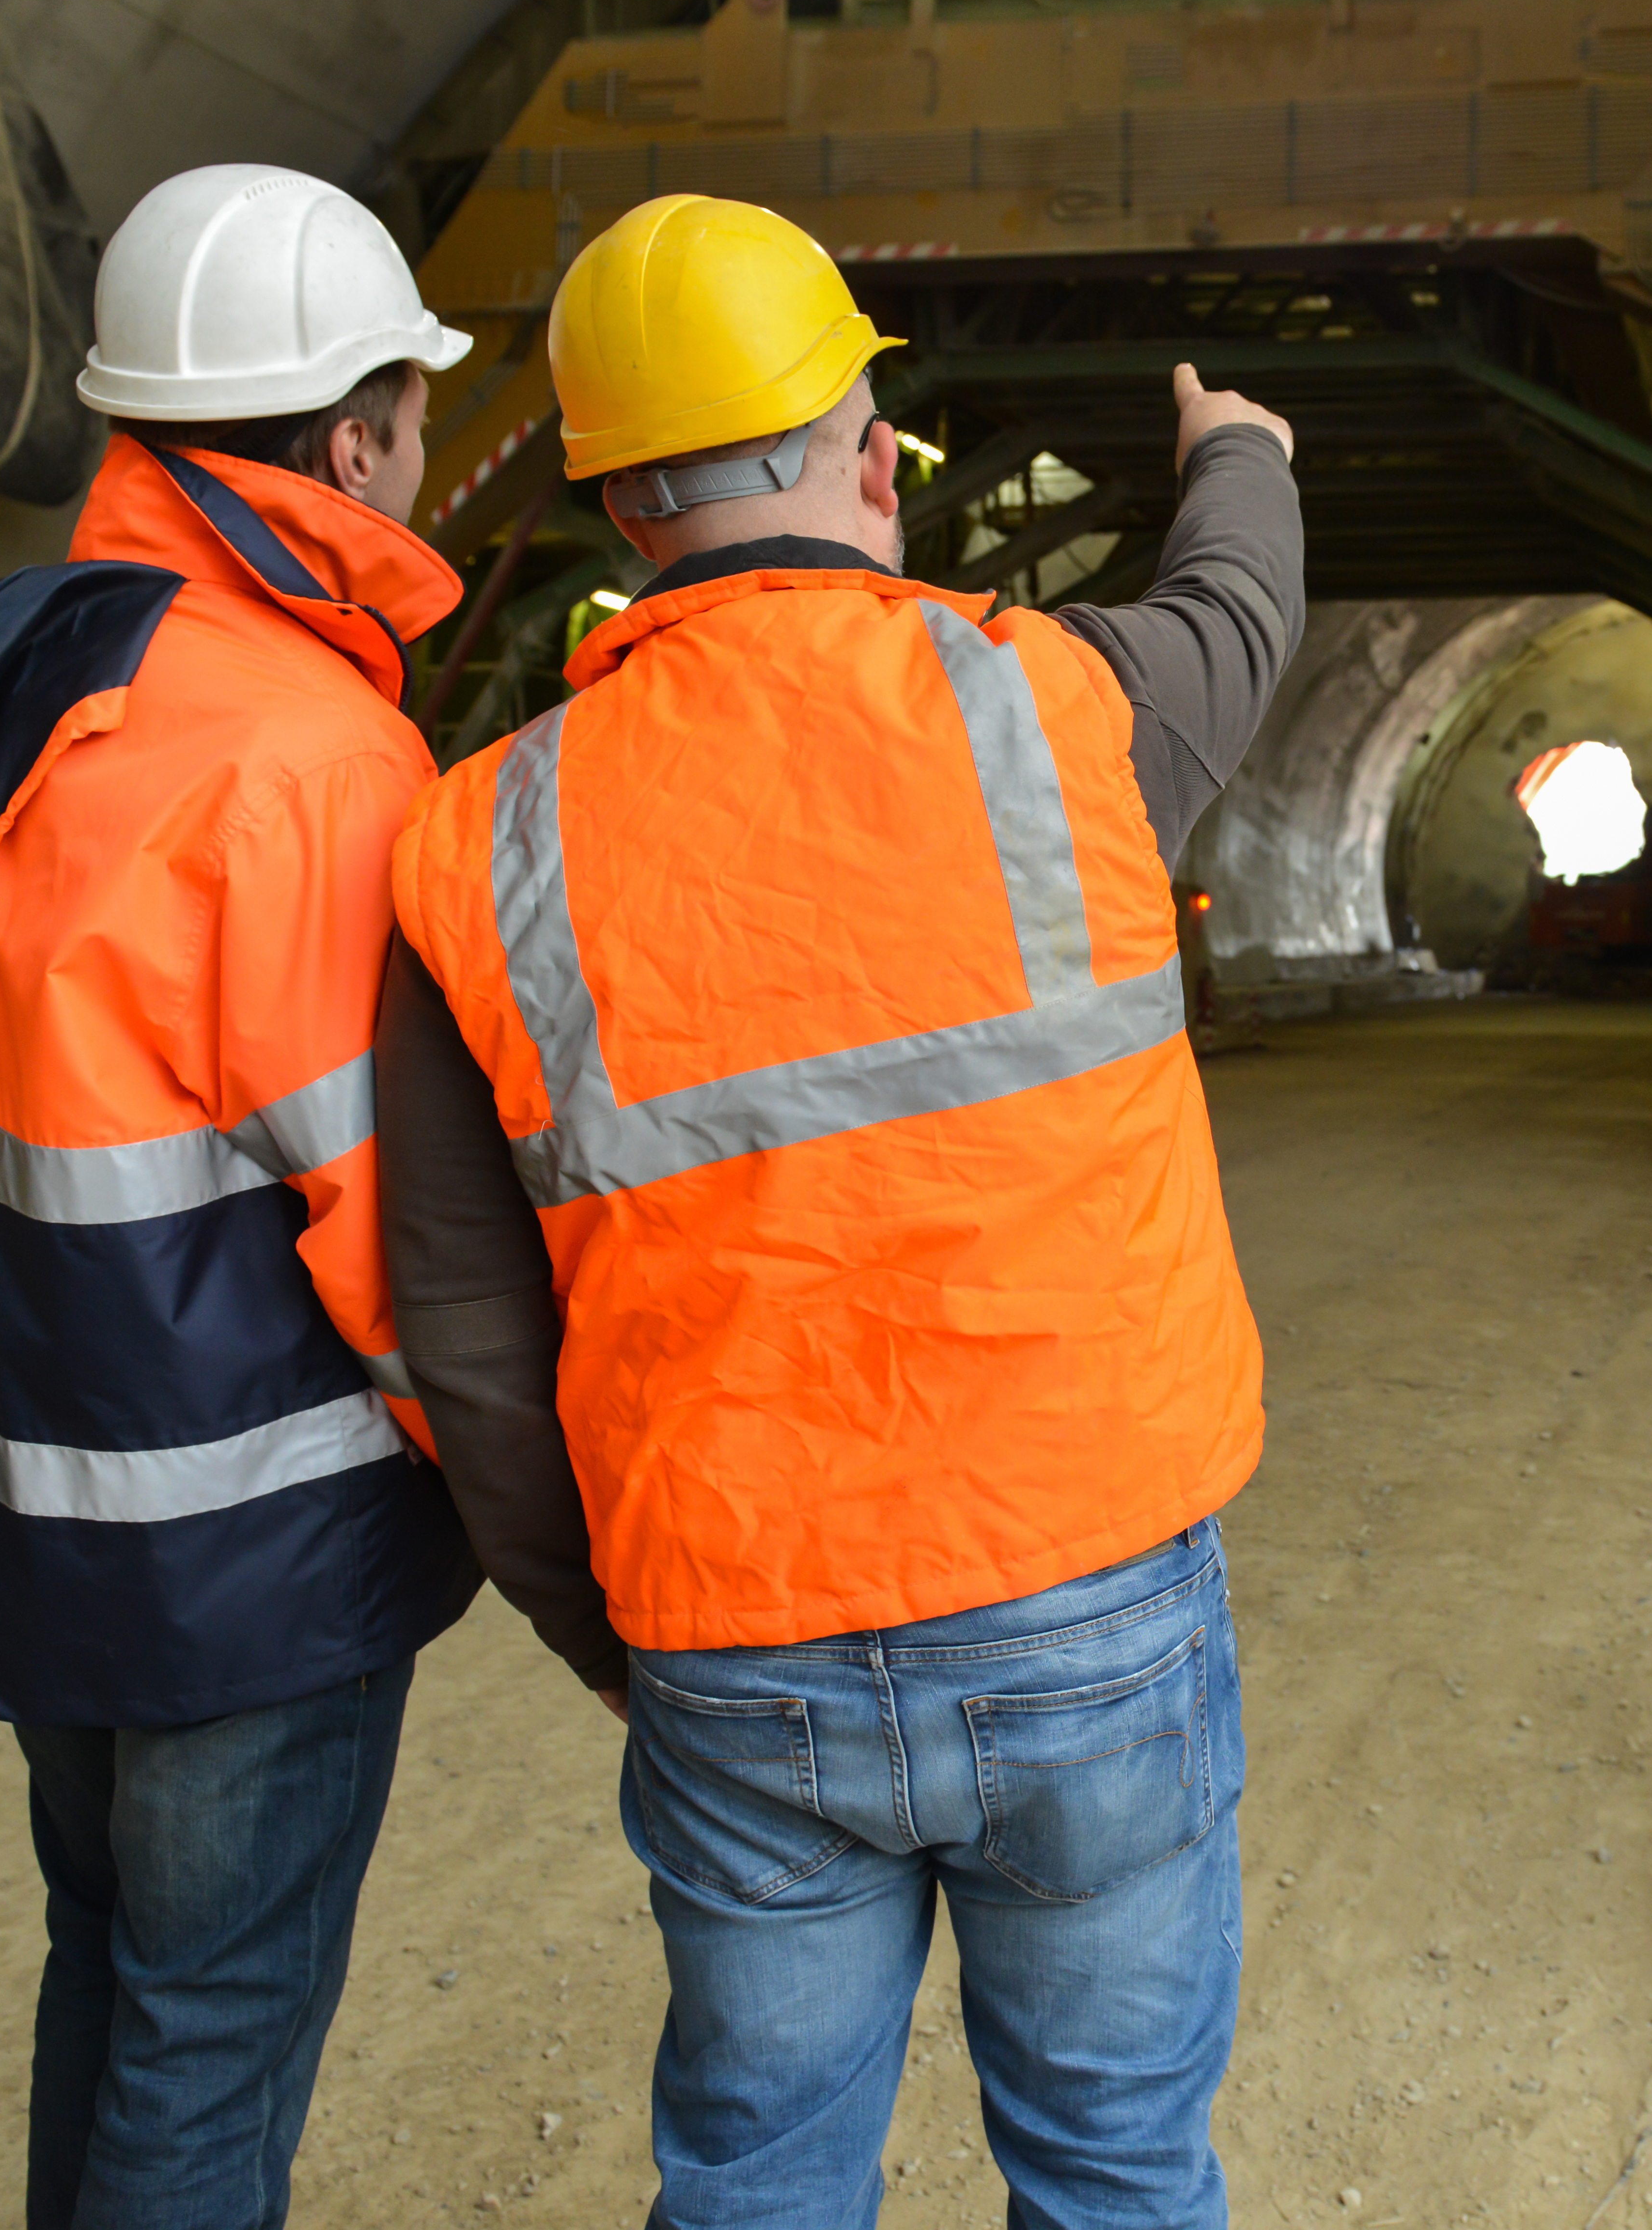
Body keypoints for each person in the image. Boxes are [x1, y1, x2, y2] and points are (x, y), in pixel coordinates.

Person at [375, 192, 1301, 2230]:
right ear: (876, 461)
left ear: (623, 513)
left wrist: (597, 1621)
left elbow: (455, 1324)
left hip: (731, 1620)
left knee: (762, 2183)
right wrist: (1238, 447)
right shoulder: (1058, 711)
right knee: (1118, 2165)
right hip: (1083, 1578)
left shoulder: (477, 840)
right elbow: (1239, 610)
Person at [0, 163, 484, 2230]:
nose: (426, 457)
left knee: (116, 1973)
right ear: (352, 441)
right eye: (413, 411)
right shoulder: (313, 760)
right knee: (215, 2030)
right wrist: (539, 1499)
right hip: (245, 1553)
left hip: (27, 1513)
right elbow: (399, 1228)